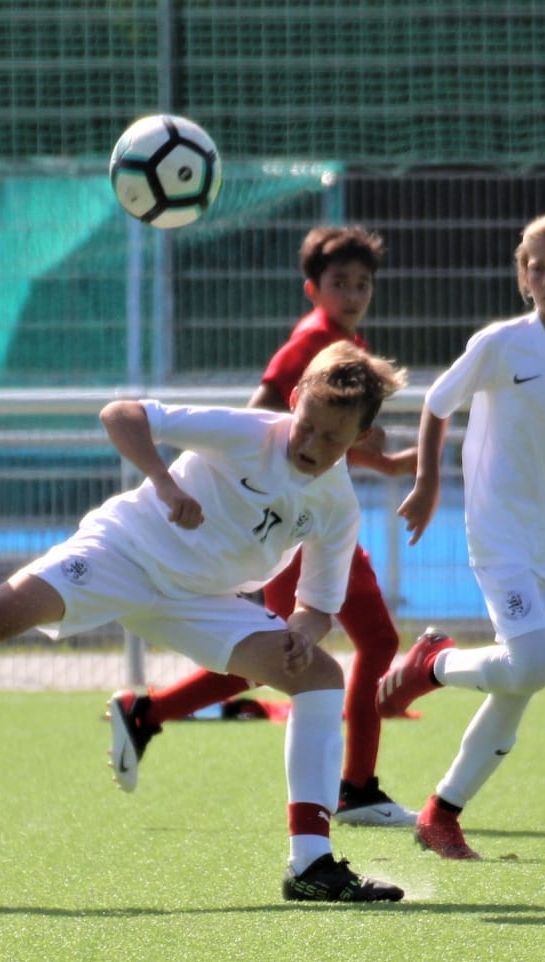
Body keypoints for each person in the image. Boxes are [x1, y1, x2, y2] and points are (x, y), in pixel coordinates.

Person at [0, 342, 410, 903]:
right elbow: (122, 414)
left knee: (319, 676)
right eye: (307, 426)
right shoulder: (247, 432)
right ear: (294, 400)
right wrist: (165, 484)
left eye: (332, 439)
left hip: (203, 600)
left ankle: (310, 866)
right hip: (124, 552)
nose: (311, 445)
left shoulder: (337, 505)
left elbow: (318, 605)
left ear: (361, 439)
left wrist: (301, 632)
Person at [105, 225, 422, 828]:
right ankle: (356, 788)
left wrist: (383, 463)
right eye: (340, 283)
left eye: (362, 284)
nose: (353, 294)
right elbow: (266, 425)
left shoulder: (347, 344)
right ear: (313, 289)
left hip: (310, 518)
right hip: (294, 528)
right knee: (335, 648)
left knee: (280, 655)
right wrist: (264, 500)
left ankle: (149, 713)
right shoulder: (312, 343)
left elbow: (323, 443)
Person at [376, 210, 545, 860]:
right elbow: (437, 404)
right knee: (534, 663)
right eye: (537, 268)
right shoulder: (501, 344)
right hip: (501, 529)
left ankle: (442, 813)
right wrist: (428, 482)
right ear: (522, 276)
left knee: (522, 681)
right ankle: (433, 665)